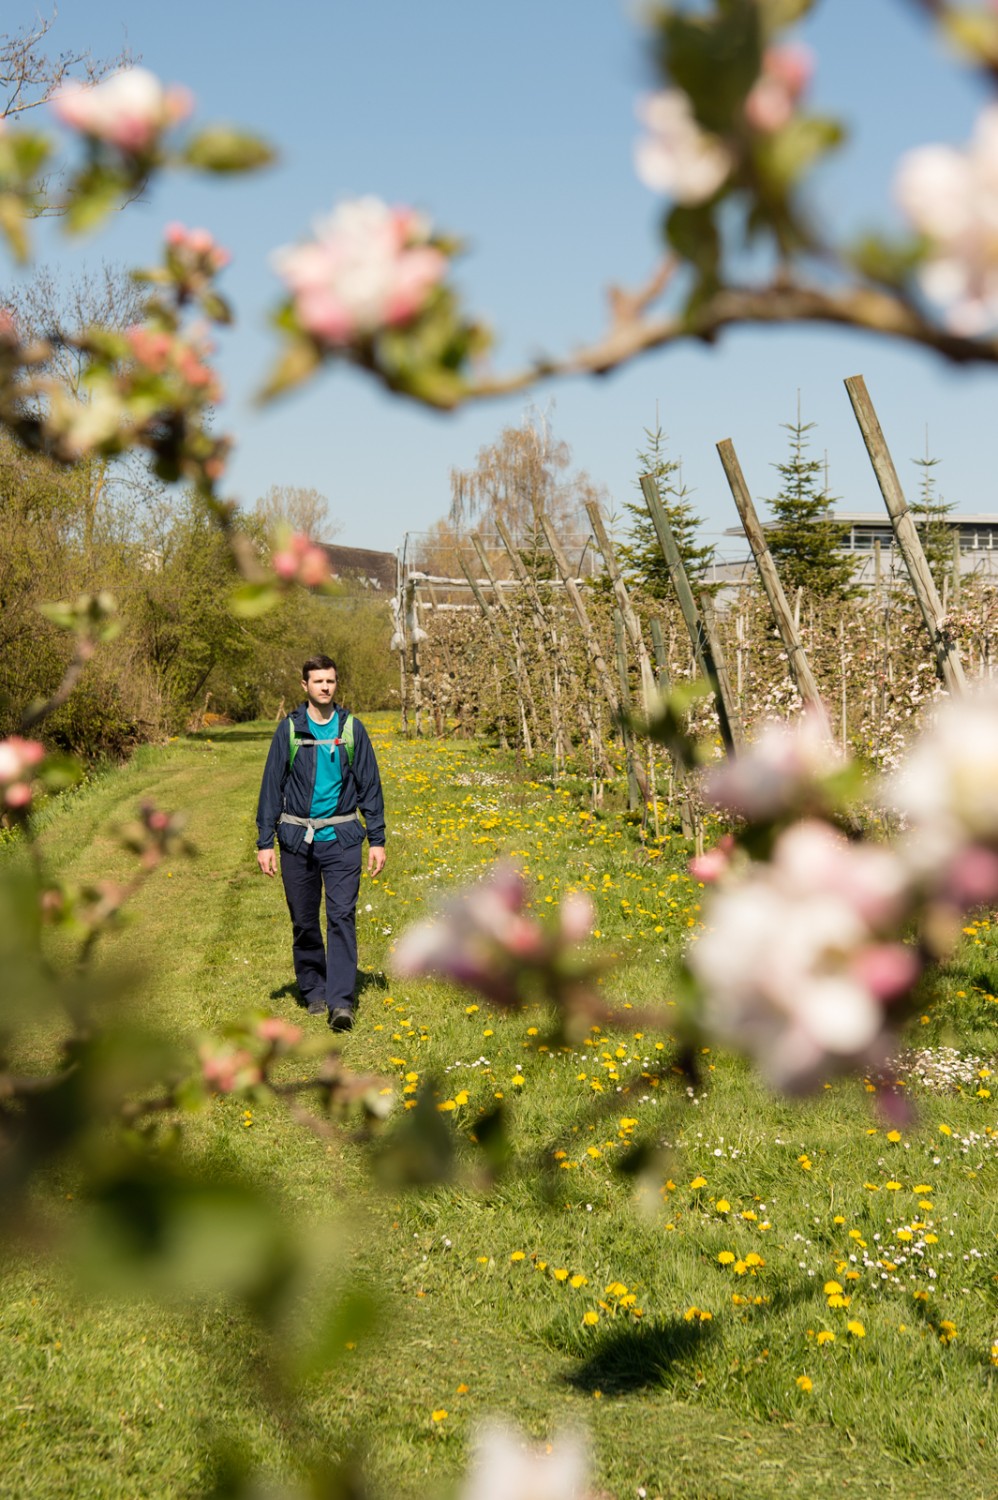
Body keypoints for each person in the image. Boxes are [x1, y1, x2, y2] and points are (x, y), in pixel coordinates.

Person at [256, 654, 386, 1031]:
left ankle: (340, 1001)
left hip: (342, 838)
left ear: (336, 684)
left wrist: (376, 839)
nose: (325, 687)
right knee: (304, 919)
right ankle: (313, 987)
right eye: (318, 681)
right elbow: (270, 789)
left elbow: (370, 787)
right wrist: (266, 842)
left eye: (330, 681)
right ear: (305, 686)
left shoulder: (352, 729)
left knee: (342, 915)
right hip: (297, 839)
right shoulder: (290, 730)